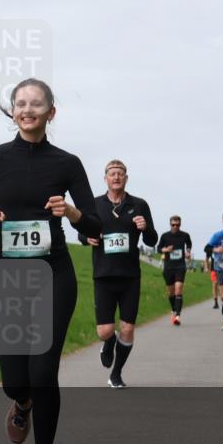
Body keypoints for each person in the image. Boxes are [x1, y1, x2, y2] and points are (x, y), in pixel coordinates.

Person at [0, 78, 100, 444]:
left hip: (53, 276)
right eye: (20, 104)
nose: (27, 110)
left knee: (43, 372)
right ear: (12, 112)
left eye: (36, 104)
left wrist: (72, 211)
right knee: (15, 380)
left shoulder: (67, 163)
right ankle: (20, 403)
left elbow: (93, 223)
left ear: (50, 113)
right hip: (5, 277)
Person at [80, 161, 157, 386]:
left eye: (120, 174)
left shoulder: (139, 205)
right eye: (112, 174)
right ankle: (108, 342)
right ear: (105, 178)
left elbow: (152, 240)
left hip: (130, 276)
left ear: (126, 179)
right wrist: (88, 238)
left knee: (128, 328)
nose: (116, 177)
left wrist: (146, 228)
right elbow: (82, 234)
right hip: (103, 275)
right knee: (105, 331)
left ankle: (116, 373)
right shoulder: (94, 205)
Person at [155, 215, 192, 326]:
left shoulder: (185, 235)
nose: (175, 226)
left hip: (180, 266)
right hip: (168, 267)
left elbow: (189, 244)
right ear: (170, 224)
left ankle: (177, 316)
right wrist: (166, 249)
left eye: (177, 225)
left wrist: (188, 252)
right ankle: (173, 310)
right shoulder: (165, 236)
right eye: (173, 225)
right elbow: (158, 249)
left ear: (180, 224)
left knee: (178, 289)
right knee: (171, 292)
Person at [205, 244, 220, 309]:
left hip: (222, 270)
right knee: (214, 285)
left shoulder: (222, 248)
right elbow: (206, 259)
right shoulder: (210, 250)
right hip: (213, 269)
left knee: (221, 285)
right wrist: (206, 267)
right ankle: (216, 302)